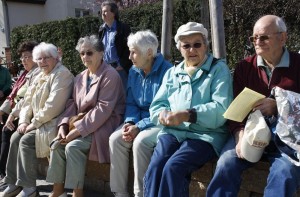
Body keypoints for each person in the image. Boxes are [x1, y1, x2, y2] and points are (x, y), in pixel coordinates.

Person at [206, 15, 300, 197]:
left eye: (263, 37)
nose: (257, 41)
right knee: (226, 162)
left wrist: (279, 105)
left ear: (283, 37)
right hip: (249, 132)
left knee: (285, 172)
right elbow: (235, 111)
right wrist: (239, 136)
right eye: (254, 38)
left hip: (288, 139)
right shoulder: (244, 67)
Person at [143, 22, 233, 197]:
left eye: (197, 44)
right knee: (155, 166)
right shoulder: (172, 73)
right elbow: (157, 105)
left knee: (174, 167)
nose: (192, 50)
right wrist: (162, 115)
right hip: (173, 132)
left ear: (205, 45)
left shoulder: (218, 69)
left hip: (206, 134)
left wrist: (188, 114)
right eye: (186, 46)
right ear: (180, 49)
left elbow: (222, 108)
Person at [46, 35, 125, 197]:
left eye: (89, 53)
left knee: (73, 147)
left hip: (104, 125)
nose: (84, 57)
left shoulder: (110, 75)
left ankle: (77, 192)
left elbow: (103, 109)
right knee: (56, 144)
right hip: (83, 124)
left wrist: (76, 132)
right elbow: (72, 105)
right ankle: (58, 191)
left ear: (101, 53)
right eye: (82, 53)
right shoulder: (80, 77)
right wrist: (63, 126)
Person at [2, 42, 74, 197]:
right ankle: (14, 182)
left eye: (46, 58)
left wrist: (32, 124)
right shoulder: (41, 75)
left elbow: (53, 106)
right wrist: (23, 121)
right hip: (40, 123)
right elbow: (27, 101)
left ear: (55, 58)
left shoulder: (62, 74)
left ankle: (29, 188)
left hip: (55, 123)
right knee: (15, 137)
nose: (42, 62)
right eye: (39, 59)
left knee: (26, 140)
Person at [109, 30, 172, 197]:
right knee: (115, 139)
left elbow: (166, 107)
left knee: (140, 142)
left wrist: (140, 126)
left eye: (134, 52)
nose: (129, 57)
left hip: (159, 120)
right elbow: (131, 102)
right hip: (138, 120)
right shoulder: (134, 71)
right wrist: (130, 122)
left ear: (149, 53)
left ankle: (142, 193)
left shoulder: (168, 72)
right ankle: (120, 193)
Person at [0, 41, 40, 182]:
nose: (23, 60)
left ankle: (5, 173)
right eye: (22, 57)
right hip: (17, 112)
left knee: (8, 132)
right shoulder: (25, 74)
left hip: (29, 117)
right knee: (5, 127)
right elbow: (13, 96)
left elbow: (28, 101)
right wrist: (3, 111)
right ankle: (5, 174)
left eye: (27, 57)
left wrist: (12, 115)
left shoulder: (38, 73)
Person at [98, 0, 132, 88]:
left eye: (105, 11)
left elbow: (129, 47)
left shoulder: (123, 28)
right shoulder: (101, 30)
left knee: (123, 96)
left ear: (113, 13)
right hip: (106, 69)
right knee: (109, 95)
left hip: (120, 69)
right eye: (102, 11)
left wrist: (121, 65)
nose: (103, 13)